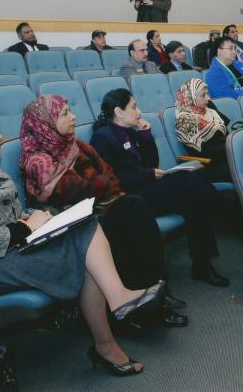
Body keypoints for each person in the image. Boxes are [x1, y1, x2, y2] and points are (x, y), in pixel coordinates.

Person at [0, 104, 164, 376]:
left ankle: (115, 312)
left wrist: (39, 217)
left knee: (86, 224)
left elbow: (17, 215)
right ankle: (109, 335)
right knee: (86, 256)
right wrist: (26, 226)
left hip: (12, 250)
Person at [18, 95, 189, 323]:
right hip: (69, 224)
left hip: (97, 209)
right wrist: (102, 185)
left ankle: (156, 290)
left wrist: (102, 185)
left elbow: (109, 175)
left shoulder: (75, 145)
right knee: (128, 217)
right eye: (65, 113)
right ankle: (136, 303)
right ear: (46, 123)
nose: (74, 117)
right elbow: (74, 192)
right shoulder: (38, 161)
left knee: (134, 205)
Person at [90, 88, 229, 287]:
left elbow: (150, 163)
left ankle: (203, 264)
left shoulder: (131, 131)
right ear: (118, 112)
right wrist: (145, 174)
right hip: (129, 197)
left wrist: (146, 136)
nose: (139, 112)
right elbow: (111, 180)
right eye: (134, 107)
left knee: (194, 196)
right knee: (190, 185)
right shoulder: (103, 137)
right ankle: (222, 213)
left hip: (147, 187)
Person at [174, 79, 232, 183]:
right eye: (203, 95)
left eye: (208, 94)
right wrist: (232, 150)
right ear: (190, 98)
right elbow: (205, 153)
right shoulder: (184, 120)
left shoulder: (210, 111)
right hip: (210, 166)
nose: (208, 98)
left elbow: (226, 136)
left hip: (227, 157)